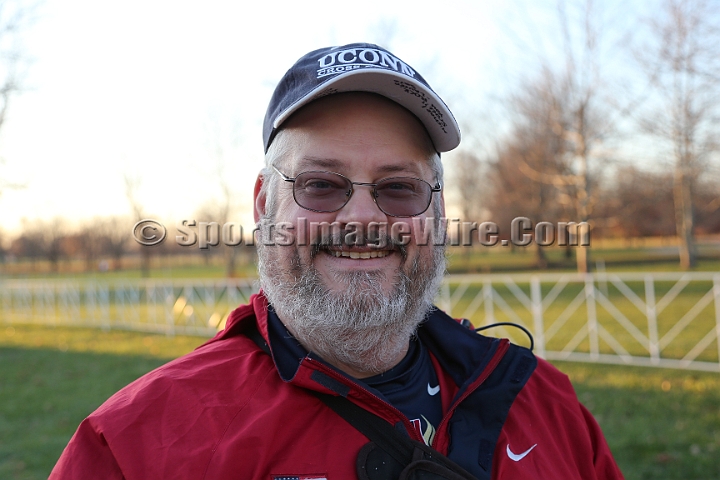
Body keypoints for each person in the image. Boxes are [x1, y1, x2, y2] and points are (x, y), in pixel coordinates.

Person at [51, 43, 624, 479]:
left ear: (439, 213)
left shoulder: (545, 403)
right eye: (321, 185)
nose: (363, 218)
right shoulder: (135, 444)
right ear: (262, 204)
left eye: (398, 187)